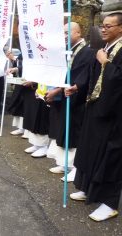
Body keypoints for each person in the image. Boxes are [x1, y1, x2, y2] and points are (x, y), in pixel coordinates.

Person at [71, 12, 122, 222]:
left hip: (114, 114)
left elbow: (118, 79)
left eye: (109, 26)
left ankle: (109, 203)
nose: (103, 29)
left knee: (109, 157)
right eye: (103, 25)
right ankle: (88, 189)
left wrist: (106, 63)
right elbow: (91, 77)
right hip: (96, 107)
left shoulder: (113, 52)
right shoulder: (105, 49)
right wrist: (76, 88)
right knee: (90, 150)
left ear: (121, 28)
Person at [45, 22, 93, 181]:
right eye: (63, 33)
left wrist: (60, 90)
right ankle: (64, 163)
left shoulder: (87, 52)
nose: (64, 36)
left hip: (77, 100)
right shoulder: (70, 51)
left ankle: (75, 167)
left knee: (74, 132)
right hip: (65, 98)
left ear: (78, 33)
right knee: (64, 129)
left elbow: (81, 78)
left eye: (67, 33)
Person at [5, 51, 26, 135]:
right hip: (20, 82)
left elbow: (25, 66)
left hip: (29, 83)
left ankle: (26, 130)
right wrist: (13, 59)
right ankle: (20, 128)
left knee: (25, 106)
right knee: (18, 105)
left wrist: (16, 68)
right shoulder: (21, 53)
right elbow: (18, 64)